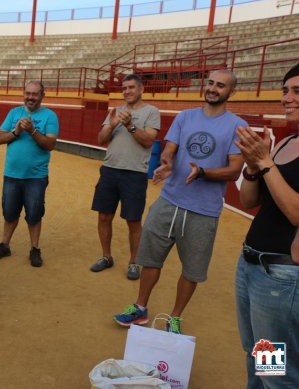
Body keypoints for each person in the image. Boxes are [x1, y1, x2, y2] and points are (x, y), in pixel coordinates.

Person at [113, 70, 247, 334]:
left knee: (192, 269)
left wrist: (203, 173)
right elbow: (170, 149)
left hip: (204, 210)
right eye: (210, 83)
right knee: (150, 258)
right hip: (169, 200)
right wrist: (167, 163)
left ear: (231, 92)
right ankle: (140, 307)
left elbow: (234, 170)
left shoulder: (237, 126)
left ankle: (175, 317)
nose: (212, 88)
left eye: (220, 85)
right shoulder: (185, 116)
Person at [235, 63, 299, 388]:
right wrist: (251, 168)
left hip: (280, 275)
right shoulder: (287, 143)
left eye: (297, 91)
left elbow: (296, 213)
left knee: (278, 373)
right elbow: (249, 201)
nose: (287, 98)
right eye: (285, 91)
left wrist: (265, 162)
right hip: (251, 265)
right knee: (257, 355)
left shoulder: (277, 152)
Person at [89, 74, 161, 280]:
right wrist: (112, 125)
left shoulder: (151, 111)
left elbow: (149, 141)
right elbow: (101, 139)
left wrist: (129, 125)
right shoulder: (117, 111)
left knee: (133, 220)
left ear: (140, 90)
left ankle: (133, 262)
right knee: (104, 216)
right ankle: (106, 256)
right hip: (110, 169)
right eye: (124, 88)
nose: (127, 91)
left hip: (135, 173)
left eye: (131, 87)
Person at [0, 81, 59, 268]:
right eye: (28, 93)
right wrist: (16, 131)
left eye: (35, 94)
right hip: (12, 173)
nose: (30, 97)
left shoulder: (50, 116)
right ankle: (5, 245)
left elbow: (50, 144)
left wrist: (33, 131)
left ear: (42, 96)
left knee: (34, 213)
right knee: (9, 212)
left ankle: (35, 249)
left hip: (36, 175)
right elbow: (0, 139)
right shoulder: (14, 113)